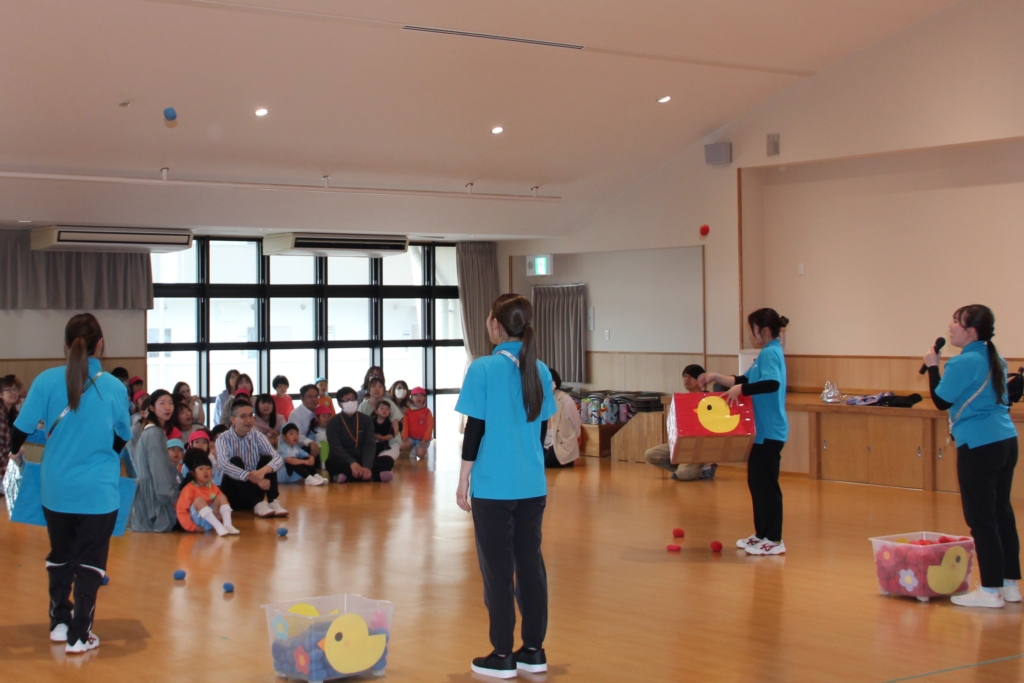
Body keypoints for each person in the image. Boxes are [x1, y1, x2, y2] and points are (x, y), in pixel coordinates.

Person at [5, 313, 132, 654]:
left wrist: (15, 453)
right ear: (100, 344)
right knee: (91, 562)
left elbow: (18, 432)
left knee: (61, 555)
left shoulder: (45, 381)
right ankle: (79, 635)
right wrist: (103, 456)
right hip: (98, 491)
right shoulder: (114, 387)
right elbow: (123, 435)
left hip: (55, 488)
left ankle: (59, 623)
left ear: (65, 345)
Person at [455, 293, 557, 678]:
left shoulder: (482, 368)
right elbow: (541, 431)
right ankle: (533, 650)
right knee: (530, 565)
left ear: (495, 325)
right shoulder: (540, 369)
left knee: (498, 570)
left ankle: (502, 655)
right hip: (532, 485)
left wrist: (463, 479)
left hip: (494, 488)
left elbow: (475, 430)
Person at [924, 305, 1020, 608]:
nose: (951, 326)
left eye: (956, 322)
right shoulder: (996, 358)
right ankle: (1010, 585)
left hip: (980, 444)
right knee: (1001, 512)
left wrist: (933, 366)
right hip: (1005, 440)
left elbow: (941, 400)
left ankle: (990, 591)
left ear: (970, 331)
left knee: (981, 518)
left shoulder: (962, 362)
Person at [700, 309, 789, 556]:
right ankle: (761, 534)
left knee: (767, 486)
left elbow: (772, 383)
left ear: (765, 331)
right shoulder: (766, 353)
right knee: (757, 484)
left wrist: (742, 390)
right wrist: (716, 376)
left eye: (753, 330)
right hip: (760, 432)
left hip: (770, 432)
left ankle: (775, 539)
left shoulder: (771, 353)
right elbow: (743, 379)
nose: (751, 335)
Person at [643, 365, 722, 481]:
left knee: (684, 475)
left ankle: (704, 468)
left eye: (691, 377)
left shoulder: (710, 400)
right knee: (650, 454)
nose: (687, 379)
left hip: (700, 446)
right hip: (682, 443)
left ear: (701, 379)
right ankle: (685, 469)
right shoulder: (682, 400)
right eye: (685, 376)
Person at [215, 399, 288, 518]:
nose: (248, 420)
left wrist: (262, 471)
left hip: (255, 491)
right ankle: (258, 503)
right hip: (232, 495)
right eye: (243, 416)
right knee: (234, 461)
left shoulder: (258, 435)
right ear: (233, 420)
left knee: (268, 458)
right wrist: (255, 479)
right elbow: (224, 465)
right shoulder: (222, 439)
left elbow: (278, 458)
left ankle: (272, 501)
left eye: (250, 415)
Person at [128, 389, 180, 533]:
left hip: (151, 492)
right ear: (152, 408)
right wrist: (172, 497)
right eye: (162, 403)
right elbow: (159, 470)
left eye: (170, 403)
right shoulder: (153, 433)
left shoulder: (153, 431)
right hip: (154, 497)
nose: (167, 407)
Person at [326, 387, 393, 483]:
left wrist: (367, 466)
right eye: (346, 400)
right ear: (340, 403)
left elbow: (369, 445)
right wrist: (352, 462)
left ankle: (348, 476)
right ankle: (373, 476)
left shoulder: (366, 419)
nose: (350, 402)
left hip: (362, 458)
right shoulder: (333, 422)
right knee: (330, 463)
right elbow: (335, 447)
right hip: (343, 459)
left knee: (388, 460)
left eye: (353, 399)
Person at [176, 449, 238, 536]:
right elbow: (181, 510)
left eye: (208, 468)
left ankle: (228, 524)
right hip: (197, 521)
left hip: (210, 520)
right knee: (199, 500)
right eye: (201, 469)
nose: (205, 471)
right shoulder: (189, 488)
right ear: (193, 473)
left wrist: (221, 516)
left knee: (221, 497)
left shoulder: (212, 486)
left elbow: (222, 502)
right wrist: (191, 527)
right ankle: (218, 526)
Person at [541, 370, 581, 469]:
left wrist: (576, 437)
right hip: (547, 440)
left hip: (562, 441)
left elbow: (576, 421)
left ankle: (568, 460)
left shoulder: (565, 398)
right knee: (539, 460)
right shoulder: (543, 400)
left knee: (548, 461)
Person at [401, 387, 434, 459]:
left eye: (421, 395)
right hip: (411, 438)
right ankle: (414, 447)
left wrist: (425, 439)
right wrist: (404, 437)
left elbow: (429, 427)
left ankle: (420, 450)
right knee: (402, 445)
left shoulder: (427, 412)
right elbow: (405, 425)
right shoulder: (408, 412)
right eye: (416, 395)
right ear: (412, 398)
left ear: (424, 398)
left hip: (423, 439)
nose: (419, 397)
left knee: (420, 454)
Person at [0, 374, 20, 481]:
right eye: (9, 390)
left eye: (15, 389)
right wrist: (12, 451)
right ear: (0, 394)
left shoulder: (13, 413)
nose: (13, 392)